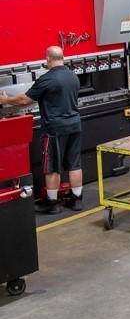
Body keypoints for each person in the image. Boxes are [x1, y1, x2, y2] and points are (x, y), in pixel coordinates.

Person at [0, 46, 83, 214]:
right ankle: (77, 201)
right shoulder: (73, 76)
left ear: (48, 59)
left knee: (52, 166)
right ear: (63, 57)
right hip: (74, 125)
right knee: (74, 164)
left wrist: (5, 99)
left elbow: (24, 100)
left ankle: (52, 204)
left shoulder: (47, 78)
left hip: (54, 128)